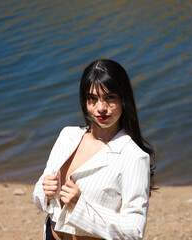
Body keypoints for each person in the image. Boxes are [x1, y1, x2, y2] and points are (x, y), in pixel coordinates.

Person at [33, 59, 156, 240]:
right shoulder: (67, 136)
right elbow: (41, 196)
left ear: (124, 99)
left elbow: (133, 232)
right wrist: (45, 191)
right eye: (92, 99)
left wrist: (79, 206)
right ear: (84, 102)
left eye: (110, 97)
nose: (101, 108)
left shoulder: (134, 157)